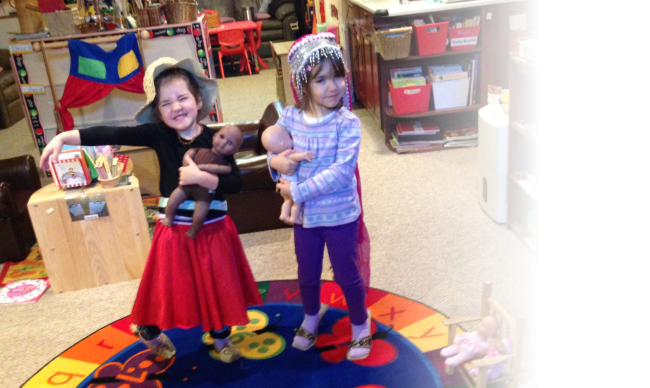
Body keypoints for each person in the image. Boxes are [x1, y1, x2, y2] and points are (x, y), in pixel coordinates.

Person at [39, 57, 262, 363]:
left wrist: (205, 178)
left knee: (220, 287)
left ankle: (222, 340)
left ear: (198, 101)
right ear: (158, 111)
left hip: (216, 230)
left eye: (183, 98)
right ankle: (148, 329)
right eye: (166, 102)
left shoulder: (218, 138)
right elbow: (112, 134)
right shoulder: (158, 134)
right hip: (173, 231)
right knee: (167, 289)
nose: (176, 107)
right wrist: (65, 137)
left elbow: (236, 182)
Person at [268, 32, 372, 361]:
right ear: (303, 84)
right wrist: (275, 165)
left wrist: (296, 190)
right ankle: (311, 315)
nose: (332, 86)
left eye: (338, 76)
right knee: (307, 272)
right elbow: (275, 152)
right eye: (321, 79)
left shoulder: (348, 122)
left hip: (340, 214)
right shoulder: (290, 118)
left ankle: (360, 323)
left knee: (346, 272)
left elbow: (342, 172)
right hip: (305, 217)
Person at [162, 125, 244, 239]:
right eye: (221, 136)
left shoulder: (226, 163)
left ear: (234, 151)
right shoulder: (199, 149)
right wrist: (190, 164)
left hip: (205, 193)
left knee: (200, 215)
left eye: (230, 143)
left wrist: (206, 167)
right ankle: (169, 217)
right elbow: (186, 157)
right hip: (186, 186)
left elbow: (226, 171)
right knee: (172, 200)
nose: (224, 143)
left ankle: (195, 229)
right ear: (214, 136)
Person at [261, 125, 315, 224]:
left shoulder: (277, 154)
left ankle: (284, 214)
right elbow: (294, 157)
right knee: (297, 202)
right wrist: (303, 155)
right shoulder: (287, 153)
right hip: (292, 185)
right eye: (290, 138)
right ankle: (294, 217)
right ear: (284, 144)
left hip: (283, 183)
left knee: (287, 201)